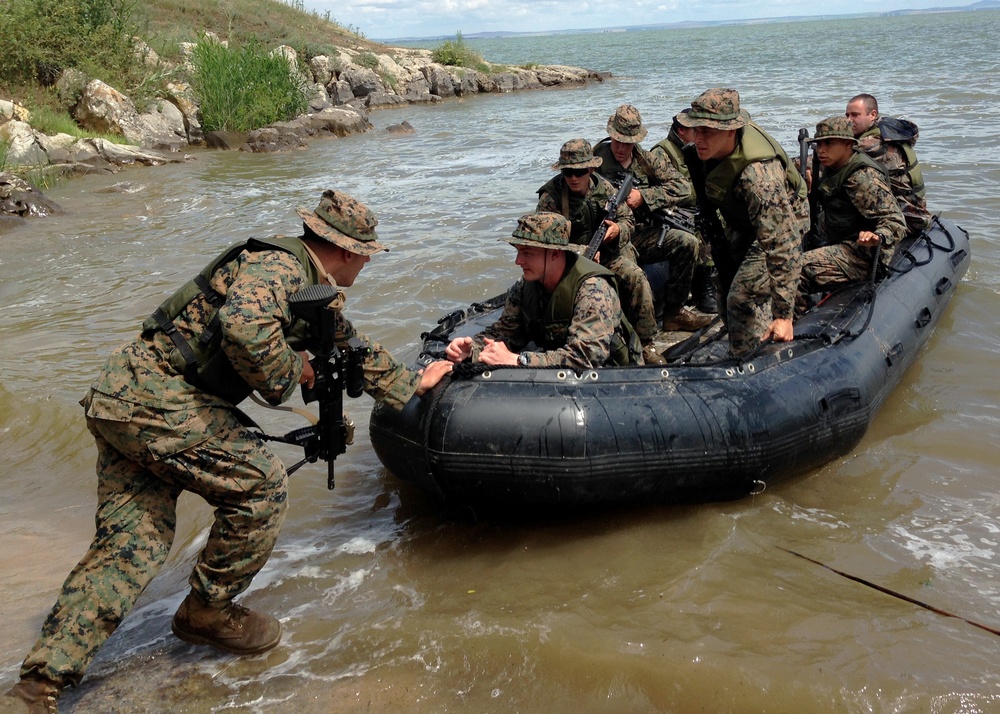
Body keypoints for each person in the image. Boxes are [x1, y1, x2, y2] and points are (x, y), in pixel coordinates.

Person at [1, 190, 452, 713]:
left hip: (122, 397)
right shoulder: (278, 265)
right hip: (160, 398)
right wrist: (293, 373)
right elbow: (244, 327)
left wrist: (413, 383)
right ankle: (206, 612)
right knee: (261, 485)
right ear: (350, 252)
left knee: (131, 546)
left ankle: (36, 687)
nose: (366, 266)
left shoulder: (307, 285)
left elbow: (349, 344)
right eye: (367, 257)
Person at [677, 88, 808, 356]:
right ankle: (740, 342)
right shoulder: (704, 153)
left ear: (730, 131)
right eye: (695, 129)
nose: (698, 138)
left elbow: (783, 244)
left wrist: (784, 315)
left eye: (707, 131)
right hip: (744, 218)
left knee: (741, 297)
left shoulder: (759, 177)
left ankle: (754, 358)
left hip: (784, 222)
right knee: (723, 282)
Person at [444, 212, 642, 370]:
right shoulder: (524, 287)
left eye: (527, 253)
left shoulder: (593, 291)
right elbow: (505, 332)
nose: (518, 261)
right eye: (518, 252)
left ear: (555, 254)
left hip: (610, 374)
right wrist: (472, 350)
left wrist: (519, 360)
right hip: (556, 362)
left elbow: (586, 358)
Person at [536, 138, 664, 364]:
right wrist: (578, 251)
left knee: (636, 278)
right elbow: (544, 242)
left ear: (592, 168)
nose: (574, 178)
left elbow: (628, 220)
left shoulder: (607, 190)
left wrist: (616, 230)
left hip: (604, 255)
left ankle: (646, 343)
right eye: (568, 172)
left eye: (580, 172)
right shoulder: (551, 198)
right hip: (567, 263)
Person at [593, 104, 712, 331]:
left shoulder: (647, 160)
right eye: (617, 141)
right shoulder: (595, 162)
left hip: (643, 232)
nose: (621, 148)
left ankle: (674, 312)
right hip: (613, 233)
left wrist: (644, 197)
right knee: (631, 271)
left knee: (687, 242)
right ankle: (640, 332)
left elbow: (682, 187)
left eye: (627, 143)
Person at [797, 116, 906, 313]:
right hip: (837, 239)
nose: (822, 149)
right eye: (819, 144)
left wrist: (878, 236)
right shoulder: (830, 164)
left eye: (829, 143)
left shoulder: (862, 176)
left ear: (848, 145)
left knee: (795, 269)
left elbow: (895, 220)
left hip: (862, 254)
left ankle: (792, 327)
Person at [845, 93, 931, 235]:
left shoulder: (874, 144)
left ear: (872, 115)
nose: (849, 120)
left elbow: (836, 156)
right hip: (915, 210)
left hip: (906, 220)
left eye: (855, 115)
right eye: (847, 115)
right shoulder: (888, 132)